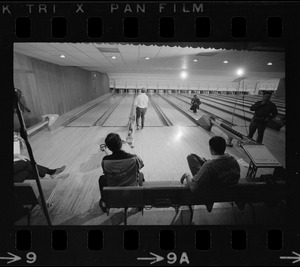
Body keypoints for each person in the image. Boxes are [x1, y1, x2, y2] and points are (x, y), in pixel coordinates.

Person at [180, 136, 240, 202]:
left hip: (211, 193)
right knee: (192, 156)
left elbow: (193, 187)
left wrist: (187, 175)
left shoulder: (209, 165)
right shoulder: (233, 160)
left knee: (190, 157)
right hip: (228, 191)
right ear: (224, 147)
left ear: (211, 149)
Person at [98, 133, 145, 212]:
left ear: (109, 147)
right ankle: (140, 203)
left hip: (114, 194)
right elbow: (141, 165)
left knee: (102, 179)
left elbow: (106, 173)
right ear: (121, 144)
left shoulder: (105, 161)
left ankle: (104, 201)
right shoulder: (134, 158)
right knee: (140, 175)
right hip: (132, 193)